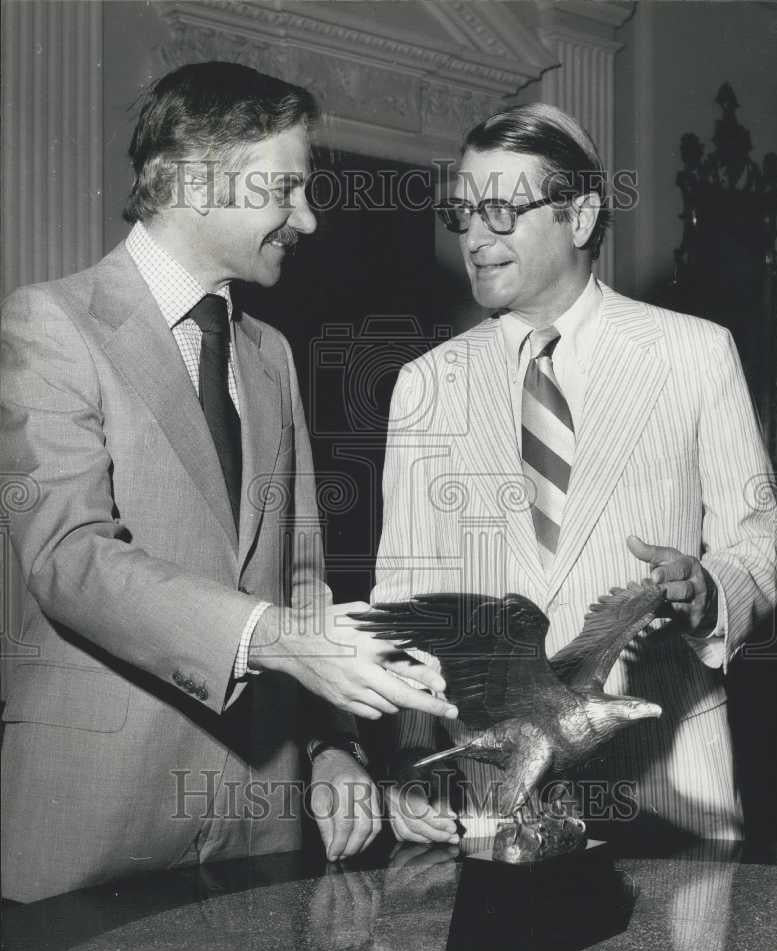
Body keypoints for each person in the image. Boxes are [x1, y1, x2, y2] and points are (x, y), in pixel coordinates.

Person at [0, 62, 457, 903]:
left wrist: (331, 747)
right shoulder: (51, 323)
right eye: (284, 189)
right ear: (192, 181)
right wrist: (279, 638)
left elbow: (304, 577)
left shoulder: (271, 354)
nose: (308, 219)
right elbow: (68, 559)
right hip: (97, 813)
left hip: (262, 811)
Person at [373, 103, 777, 844]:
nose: (473, 237)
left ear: (581, 214)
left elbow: (761, 533)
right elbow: (406, 601)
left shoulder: (692, 353)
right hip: (496, 795)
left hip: (666, 787)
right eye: (462, 212)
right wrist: (413, 768)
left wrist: (710, 589)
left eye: (500, 210)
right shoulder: (425, 383)